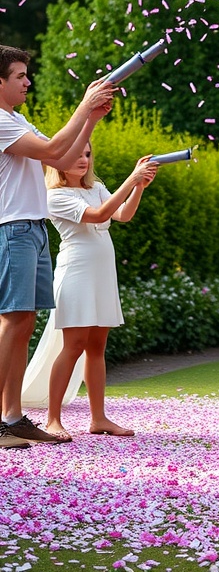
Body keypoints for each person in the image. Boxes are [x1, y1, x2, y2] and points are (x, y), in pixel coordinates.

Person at [0, 44, 115, 450]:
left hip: (31, 230)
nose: (28, 81)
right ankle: (1, 422)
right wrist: (83, 106)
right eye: (19, 76)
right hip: (13, 229)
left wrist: (92, 121)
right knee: (13, 322)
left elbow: (63, 156)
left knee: (24, 324)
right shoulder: (0, 121)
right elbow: (53, 153)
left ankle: (12, 418)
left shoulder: (17, 118)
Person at [22, 142, 158, 438]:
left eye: (87, 154)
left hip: (102, 273)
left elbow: (122, 215)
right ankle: (53, 419)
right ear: (58, 161)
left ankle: (99, 419)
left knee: (97, 347)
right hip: (76, 272)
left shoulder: (96, 186)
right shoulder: (54, 196)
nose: (83, 160)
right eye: (76, 155)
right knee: (73, 346)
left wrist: (140, 187)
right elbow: (98, 215)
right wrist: (131, 179)